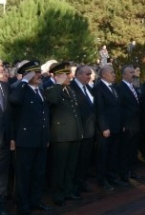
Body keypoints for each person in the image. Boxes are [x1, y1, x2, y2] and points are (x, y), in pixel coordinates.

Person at [9, 60, 54, 215]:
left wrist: (46, 136)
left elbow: (44, 116)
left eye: (39, 72)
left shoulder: (40, 90)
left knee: (39, 173)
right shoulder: (20, 89)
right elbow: (14, 100)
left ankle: (35, 201)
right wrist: (25, 80)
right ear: (27, 74)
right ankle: (23, 204)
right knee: (24, 174)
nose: (39, 75)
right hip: (25, 139)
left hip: (40, 139)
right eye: (35, 72)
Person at [45, 62, 83, 206]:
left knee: (70, 166)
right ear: (57, 76)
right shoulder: (51, 89)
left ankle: (68, 190)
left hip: (74, 134)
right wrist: (58, 84)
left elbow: (76, 112)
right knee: (59, 167)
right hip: (61, 136)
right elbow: (52, 100)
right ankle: (58, 193)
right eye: (66, 74)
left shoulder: (70, 90)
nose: (70, 77)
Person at [93, 65, 128, 190]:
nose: (114, 74)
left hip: (116, 127)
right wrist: (104, 127)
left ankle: (112, 177)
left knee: (113, 154)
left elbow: (119, 108)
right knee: (103, 156)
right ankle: (102, 180)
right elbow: (99, 109)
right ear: (103, 75)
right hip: (106, 129)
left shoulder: (114, 87)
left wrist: (122, 124)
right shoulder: (98, 88)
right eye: (112, 72)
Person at [70, 65, 96, 193]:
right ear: (78, 74)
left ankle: (81, 182)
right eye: (87, 74)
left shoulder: (89, 88)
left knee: (85, 160)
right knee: (76, 161)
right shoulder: (71, 88)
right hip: (78, 132)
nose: (89, 76)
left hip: (90, 132)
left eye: (90, 74)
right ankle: (74, 185)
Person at [116, 65, 142, 181]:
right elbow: (120, 108)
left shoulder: (134, 87)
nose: (134, 74)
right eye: (131, 72)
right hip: (127, 125)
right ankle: (123, 173)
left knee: (132, 151)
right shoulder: (120, 88)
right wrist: (123, 124)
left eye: (134, 72)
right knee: (125, 151)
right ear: (124, 75)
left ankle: (130, 171)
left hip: (136, 124)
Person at [0, 60, 11, 215]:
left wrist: (12, 137)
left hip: (4, 140)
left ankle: (1, 204)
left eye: (2, 66)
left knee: (2, 176)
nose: (2, 69)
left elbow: (9, 116)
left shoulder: (4, 87)